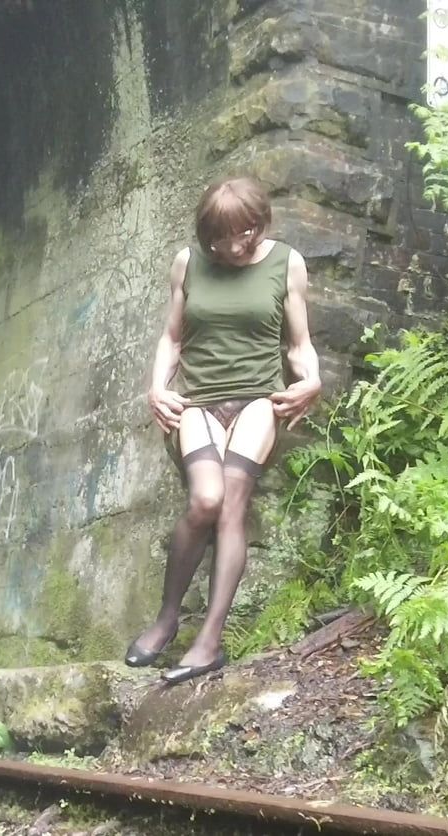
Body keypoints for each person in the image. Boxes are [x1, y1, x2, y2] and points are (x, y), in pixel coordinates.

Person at [125, 176, 322, 684]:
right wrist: (156, 388)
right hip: (197, 402)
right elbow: (172, 337)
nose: (234, 248)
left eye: (246, 234)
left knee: (233, 501)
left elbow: (298, 343)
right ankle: (167, 619)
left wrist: (312, 381)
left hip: (258, 399)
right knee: (205, 501)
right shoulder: (188, 262)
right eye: (222, 239)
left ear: (261, 223)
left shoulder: (287, 262)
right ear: (207, 233)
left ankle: (209, 639)